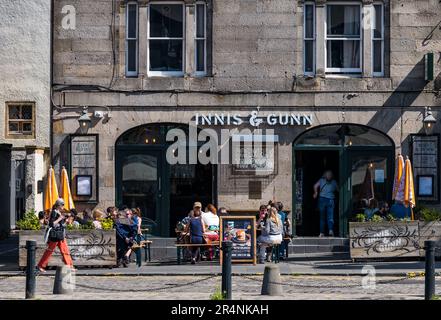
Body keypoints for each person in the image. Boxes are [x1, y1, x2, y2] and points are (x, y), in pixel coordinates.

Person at [37, 198, 74, 272]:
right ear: (58, 205)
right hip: (55, 235)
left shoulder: (59, 212)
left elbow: (60, 225)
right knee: (49, 251)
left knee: (65, 250)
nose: (63, 206)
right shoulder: (54, 212)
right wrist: (60, 219)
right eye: (62, 204)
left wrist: (66, 222)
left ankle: (70, 266)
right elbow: (51, 224)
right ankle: (40, 265)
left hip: (60, 234)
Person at [313, 170, 339, 237]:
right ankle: (330, 230)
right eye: (328, 175)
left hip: (322, 199)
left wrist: (316, 193)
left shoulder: (321, 180)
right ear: (325, 175)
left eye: (330, 175)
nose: (329, 176)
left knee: (322, 217)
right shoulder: (334, 182)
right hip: (330, 200)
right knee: (330, 217)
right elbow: (339, 190)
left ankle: (322, 233)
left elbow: (315, 186)